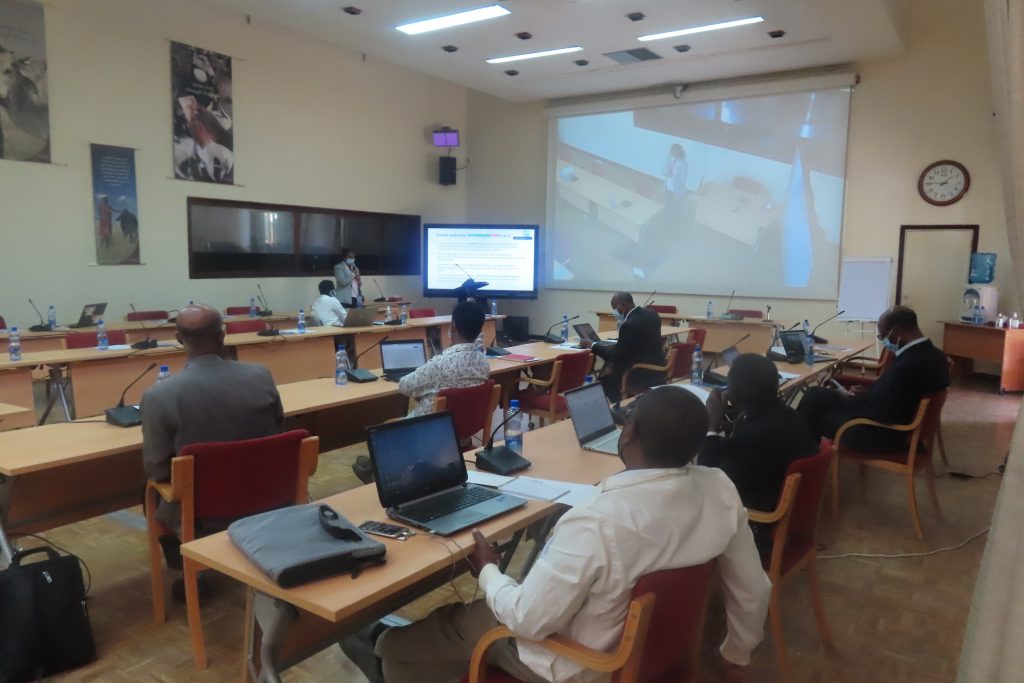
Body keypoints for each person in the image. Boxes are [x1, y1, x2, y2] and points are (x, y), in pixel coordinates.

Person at [346, 385, 770, 683]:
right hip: (646, 653)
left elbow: (528, 621)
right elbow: (754, 587)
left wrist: (489, 570)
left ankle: (386, 654)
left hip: (570, 666)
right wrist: (737, 653)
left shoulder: (597, 522)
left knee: (451, 625)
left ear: (629, 432)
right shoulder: (719, 487)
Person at [141, 304, 283, 568]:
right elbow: (278, 432)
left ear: (178, 339)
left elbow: (158, 471)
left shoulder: (158, 396)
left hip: (203, 513)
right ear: (222, 335)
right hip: (269, 497)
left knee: (148, 492)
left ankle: (185, 563)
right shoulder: (261, 376)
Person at [352, 302, 490, 483]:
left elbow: (404, 386)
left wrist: (423, 384)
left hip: (430, 431)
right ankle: (372, 465)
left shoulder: (439, 364)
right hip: (464, 431)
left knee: (387, 426)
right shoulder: (483, 362)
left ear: (453, 326)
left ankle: (377, 473)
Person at [699, 353, 819, 557]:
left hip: (758, 521)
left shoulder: (752, 437)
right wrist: (736, 416)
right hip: (776, 498)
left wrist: (711, 427)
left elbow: (711, 479)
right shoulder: (789, 415)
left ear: (734, 392)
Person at [797, 305, 950, 451]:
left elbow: (881, 413)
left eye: (883, 335)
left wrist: (851, 399)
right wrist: (866, 393)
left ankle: (804, 458)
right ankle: (805, 452)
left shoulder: (909, 364)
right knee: (815, 394)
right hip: (890, 414)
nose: (883, 340)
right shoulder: (934, 354)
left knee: (812, 415)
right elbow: (896, 394)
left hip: (882, 432)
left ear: (896, 332)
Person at [581, 292, 664, 403]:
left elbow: (616, 357)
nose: (614, 312)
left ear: (620, 306)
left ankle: (619, 410)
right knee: (610, 368)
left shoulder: (629, 324)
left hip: (639, 374)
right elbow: (637, 342)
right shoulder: (652, 314)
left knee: (602, 382)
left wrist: (592, 345)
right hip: (659, 370)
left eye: (614, 308)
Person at [664, 143, 688, 221]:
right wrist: (666, 172)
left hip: (676, 190)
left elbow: (682, 180)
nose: (669, 152)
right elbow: (664, 171)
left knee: (676, 208)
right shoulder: (669, 159)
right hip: (668, 187)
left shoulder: (684, 164)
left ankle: (676, 222)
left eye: (671, 151)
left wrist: (672, 176)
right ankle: (666, 219)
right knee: (667, 205)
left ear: (676, 152)